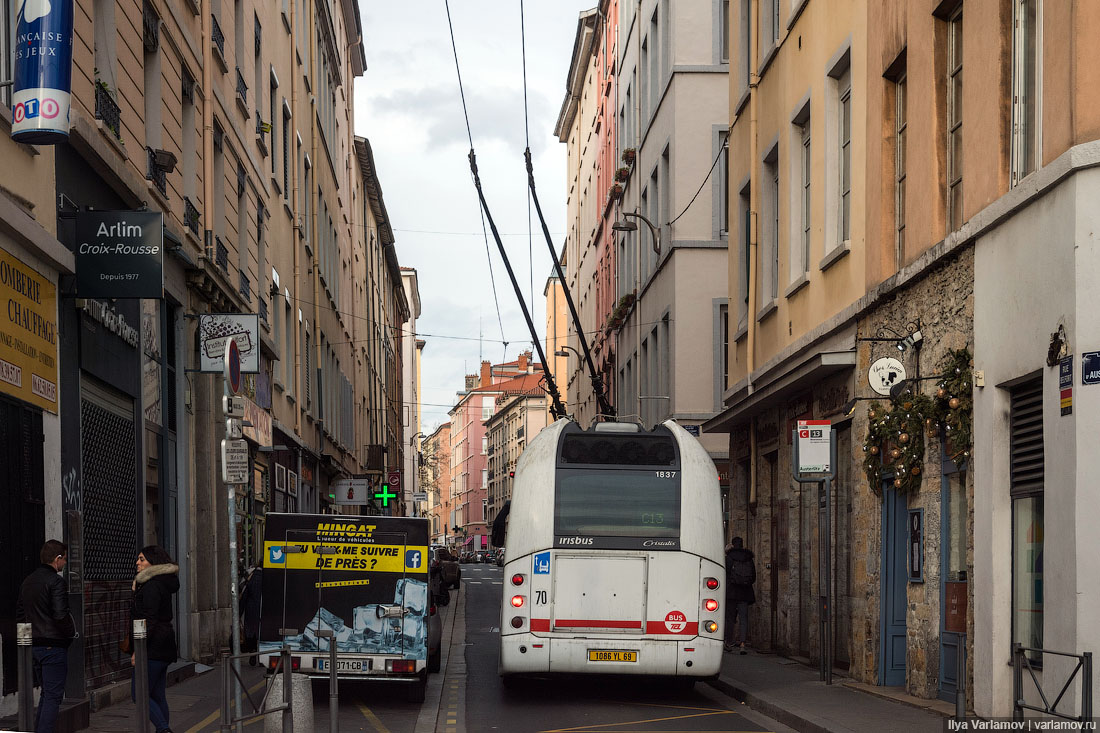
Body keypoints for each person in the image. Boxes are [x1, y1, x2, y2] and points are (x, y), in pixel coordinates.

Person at [16, 539, 76, 733]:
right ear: (57, 559)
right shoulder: (56, 581)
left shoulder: (28, 580)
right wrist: (69, 635)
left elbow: (20, 613)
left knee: (46, 694)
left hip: (33, 646)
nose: (65, 563)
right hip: (53, 645)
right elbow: (60, 614)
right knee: (53, 696)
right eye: (64, 559)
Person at [129, 545, 180, 733]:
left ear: (153, 562)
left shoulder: (151, 586)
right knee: (157, 696)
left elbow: (148, 620)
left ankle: (164, 729)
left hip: (152, 646)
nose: (137, 562)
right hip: (164, 645)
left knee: (139, 694)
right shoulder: (160, 583)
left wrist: (138, 650)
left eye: (142, 559)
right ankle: (163, 729)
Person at [724, 536, 756, 654]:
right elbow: (753, 577)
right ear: (742, 545)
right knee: (744, 619)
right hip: (744, 593)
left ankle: (729, 642)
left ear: (733, 544)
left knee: (730, 618)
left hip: (731, 593)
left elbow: (725, 574)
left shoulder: (729, 558)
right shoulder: (748, 558)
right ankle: (743, 644)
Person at [239, 565, 262, 665]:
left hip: (251, 610)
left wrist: (239, 612)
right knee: (261, 633)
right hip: (263, 610)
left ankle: (253, 652)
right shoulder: (268, 576)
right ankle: (262, 656)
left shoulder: (251, 576)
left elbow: (244, 595)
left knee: (252, 632)